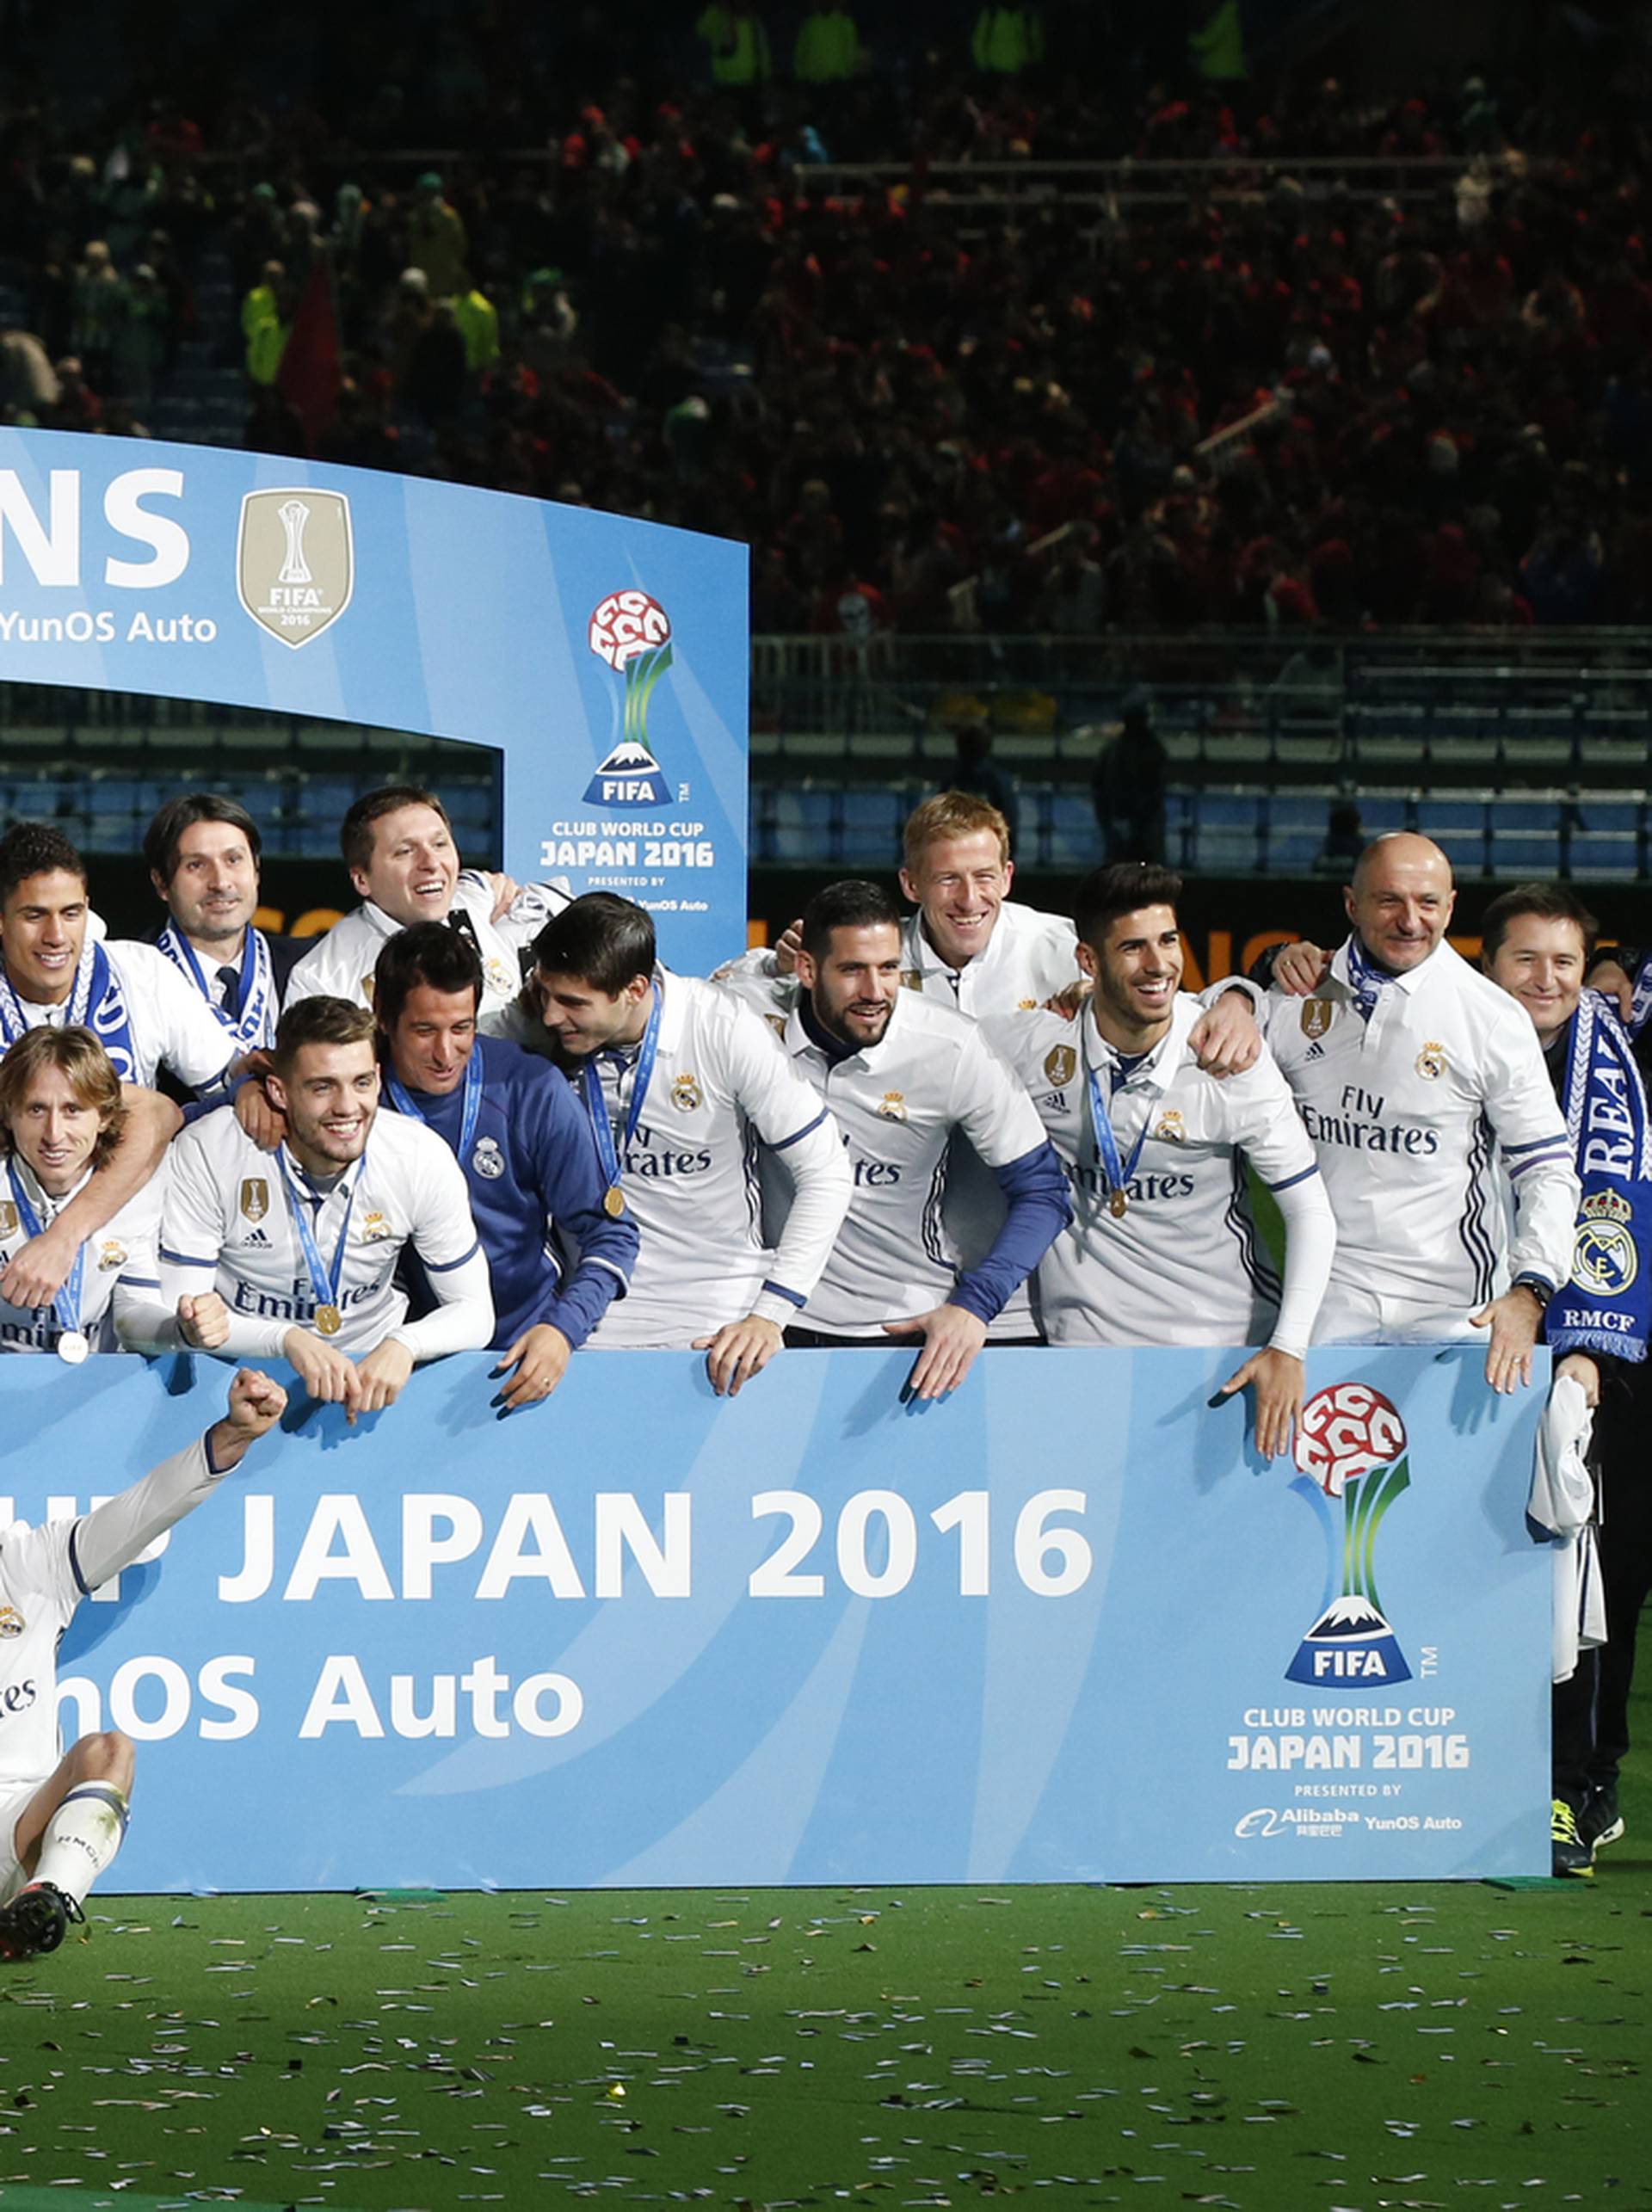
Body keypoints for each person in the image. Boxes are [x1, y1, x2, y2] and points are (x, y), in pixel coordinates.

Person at [983, 862, 1337, 1458]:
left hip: (1217, 1352)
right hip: (1078, 1355)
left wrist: (1289, 1346)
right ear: (1089, 963)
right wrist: (774, 977)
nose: (1158, 964)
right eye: (1133, 947)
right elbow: (921, 1044)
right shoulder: (1033, 1046)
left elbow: (1310, 1211)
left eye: (1168, 941)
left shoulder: (1228, 1058)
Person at [1250, 834, 1581, 1388]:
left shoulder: (1493, 1019)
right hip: (1324, 1309)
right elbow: (1188, 1028)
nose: (1410, 920)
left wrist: (1531, 1289)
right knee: (1308, 1475)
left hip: (1456, 1312)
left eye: (1428, 903)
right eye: (1389, 901)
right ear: (1352, 904)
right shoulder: (1293, 1001)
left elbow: (1545, 1169)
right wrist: (1242, 990)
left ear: (1451, 906)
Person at [724, 880, 1071, 1397]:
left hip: (902, 1331)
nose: (875, 992)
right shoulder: (744, 1024)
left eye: (889, 969)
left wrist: (976, 1305)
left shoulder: (948, 1046)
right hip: (770, 1327)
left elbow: (1044, 1192)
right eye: (851, 971)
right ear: (807, 970)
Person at [0, 1366, 286, 1962]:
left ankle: (43, 1902)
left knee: (109, 1751)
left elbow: (145, 1508)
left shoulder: (33, 1565)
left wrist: (232, 1436)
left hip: (17, 1821)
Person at [1481, 884, 1652, 1876]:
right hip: (1464, 1335)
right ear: (1489, 963)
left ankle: (1577, 1786)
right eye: (1523, 961)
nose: (1546, 982)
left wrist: (1584, 1347)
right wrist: (1255, 977)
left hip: (1605, 1348)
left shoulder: (1620, 1057)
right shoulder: (1451, 1034)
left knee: (1593, 1572)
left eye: (1563, 964)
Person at [515, 893, 852, 1394]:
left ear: (634, 989)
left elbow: (827, 1170)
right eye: (546, 995)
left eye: (572, 1003)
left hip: (715, 1323)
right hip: (587, 1318)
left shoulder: (721, 1027)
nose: (549, 1017)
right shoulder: (531, 1027)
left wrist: (770, 1315)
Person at [152, 997, 493, 1418]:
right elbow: (180, 1311)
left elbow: (477, 1313)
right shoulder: (211, 1152)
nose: (348, 1107)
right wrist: (285, 1339)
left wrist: (405, 1345)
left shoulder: (418, 1156)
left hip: (371, 1383)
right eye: (323, 1087)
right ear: (279, 1091)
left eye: (362, 1083)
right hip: (238, 1382)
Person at [373, 923, 638, 1412]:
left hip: (515, 1355)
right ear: (384, 1020)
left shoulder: (530, 1088)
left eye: (461, 1028)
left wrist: (562, 1330)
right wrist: (249, 1094)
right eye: (424, 1031)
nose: (445, 1053)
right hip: (386, 1361)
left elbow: (611, 1234)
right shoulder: (354, 1091)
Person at [0, 825, 193, 1321]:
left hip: (119, 1222)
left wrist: (63, 1237)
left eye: (71, 913)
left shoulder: (139, 971)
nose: (56, 936)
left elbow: (159, 1114)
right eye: (33, 916)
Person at [284, 786, 568, 1025]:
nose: (431, 863)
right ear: (362, 880)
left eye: (440, 844)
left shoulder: (471, 898)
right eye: (406, 851)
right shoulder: (321, 979)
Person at [0, 1028, 165, 1356]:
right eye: (36, 1110)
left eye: (73, 1110)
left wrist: (180, 1330)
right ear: (8, 1114)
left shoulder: (135, 1188)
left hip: (88, 1387)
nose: (54, 1133)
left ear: (104, 1117)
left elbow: (135, 1310)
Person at [144, 793, 306, 1054]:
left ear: (256, 870)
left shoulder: (308, 966)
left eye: (233, 860)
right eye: (196, 865)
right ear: (161, 882)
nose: (220, 882)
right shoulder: (134, 979)